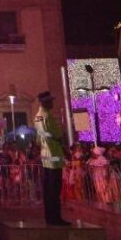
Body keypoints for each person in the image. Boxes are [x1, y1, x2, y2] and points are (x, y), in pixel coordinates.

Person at [35, 90, 66, 226]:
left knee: (48, 189)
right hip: (54, 155)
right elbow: (58, 135)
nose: (52, 103)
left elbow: (38, 138)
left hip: (45, 155)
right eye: (51, 100)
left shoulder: (37, 116)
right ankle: (56, 218)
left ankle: (49, 217)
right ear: (46, 102)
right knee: (55, 188)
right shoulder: (48, 116)